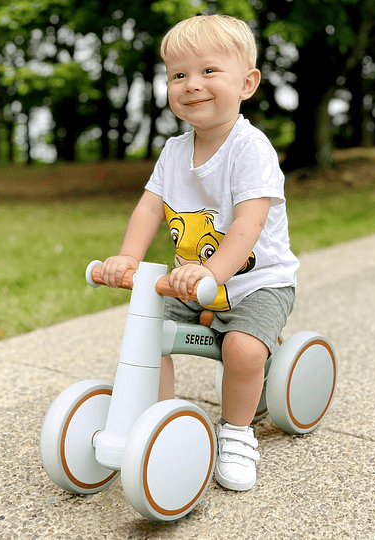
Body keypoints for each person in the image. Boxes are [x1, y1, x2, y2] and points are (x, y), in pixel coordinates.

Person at [100, 14, 299, 491]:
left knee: (243, 349)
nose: (192, 85)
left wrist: (213, 270)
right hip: (192, 281)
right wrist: (128, 257)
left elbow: (249, 226)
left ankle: (235, 433)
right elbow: (149, 209)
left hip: (256, 282)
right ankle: (160, 423)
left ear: (247, 83)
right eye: (178, 75)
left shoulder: (251, 149)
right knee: (147, 330)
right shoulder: (173, 151)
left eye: (209, 71)